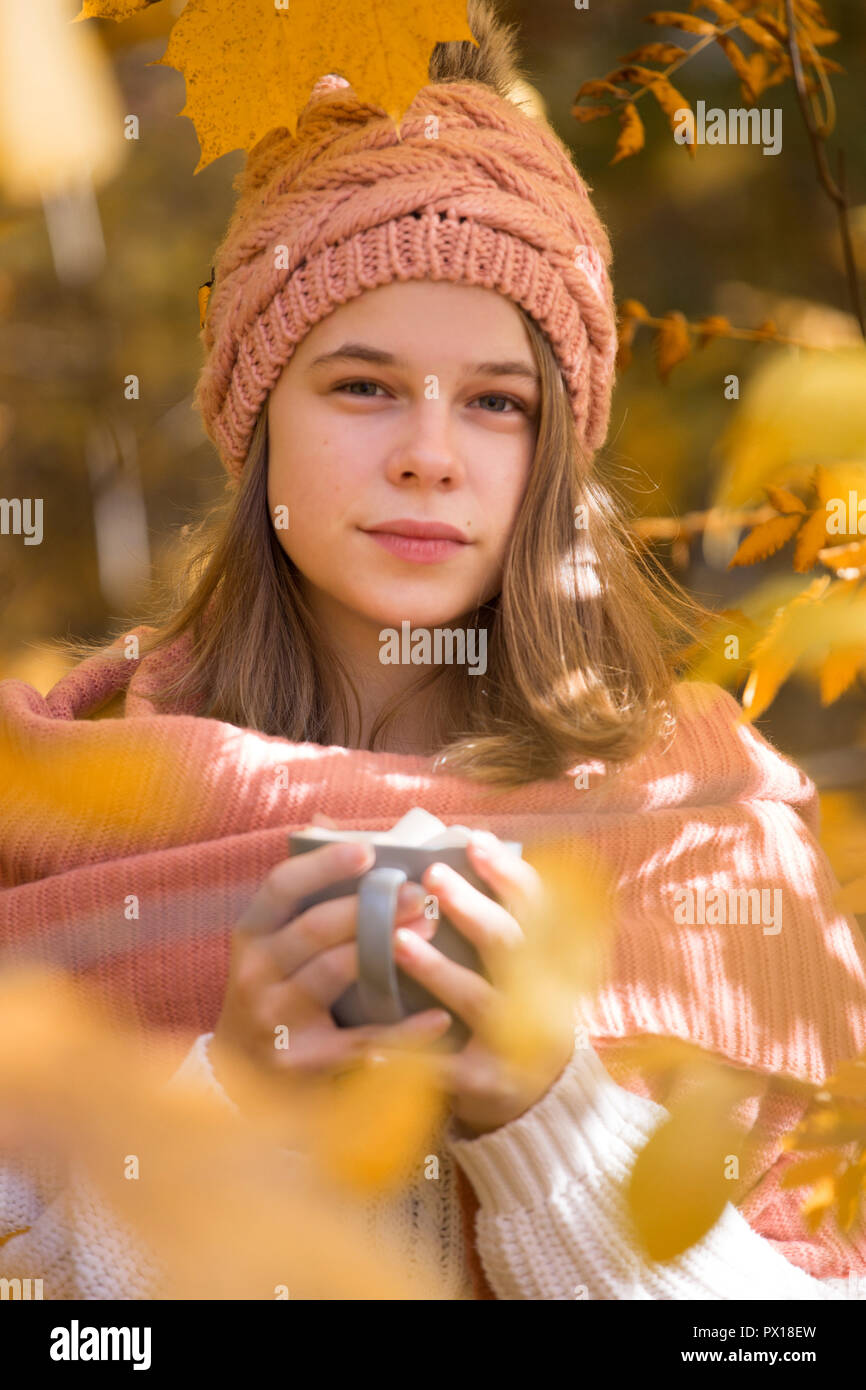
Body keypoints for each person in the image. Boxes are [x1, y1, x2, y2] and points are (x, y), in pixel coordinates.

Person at [2, 0, 866, 1300]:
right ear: (255, 416)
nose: (427, 449)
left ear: (552, 452)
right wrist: (224, 1108)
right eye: (360, 384)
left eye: (496, 402)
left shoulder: (709, 836)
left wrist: (550, 1121)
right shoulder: (59, 812)